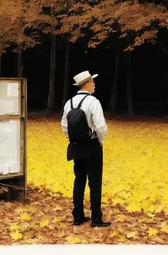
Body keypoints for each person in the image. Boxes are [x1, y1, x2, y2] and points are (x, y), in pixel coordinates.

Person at [61, 70, 111, 227]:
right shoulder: (93, 102)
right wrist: (100, 141)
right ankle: (96, 218)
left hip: (76, 147)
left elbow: (64, 125)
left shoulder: (69, 103)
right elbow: (101, 126)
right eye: (93, 82)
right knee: (95, 182)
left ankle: (78, 216)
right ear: (87, 84)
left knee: (79, 180)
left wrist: (72, 138)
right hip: (92, 145)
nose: (94, 84)